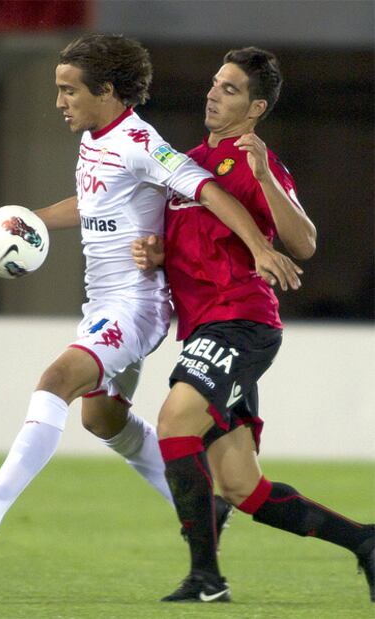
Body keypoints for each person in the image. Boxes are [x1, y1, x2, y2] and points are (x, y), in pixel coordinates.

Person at [0, 35, 301, 555]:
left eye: (69, 91)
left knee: (56, 381)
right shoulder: (98, 137)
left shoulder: (142, 144)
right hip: (103, 304)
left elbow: (205, 187)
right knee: (102, 419)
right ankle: (203, 508)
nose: (60, 102)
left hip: (134, 308)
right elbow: (92, 201)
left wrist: (258, 246)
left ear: (109, 91)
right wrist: (18, 220)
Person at [132, 47, 374, 603]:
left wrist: (264, 176)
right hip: (205, 327)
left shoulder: (255, 163)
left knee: (174, 422)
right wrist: (157, 252)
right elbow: (196, 247)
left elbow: (304, 242)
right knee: (242, 486)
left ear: (256, 106)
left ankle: (206, 579)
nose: (214, 94)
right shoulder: (186, 166)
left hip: (241, 321)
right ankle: (364, 541)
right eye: (215, 83)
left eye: (231, 89)